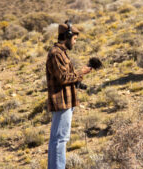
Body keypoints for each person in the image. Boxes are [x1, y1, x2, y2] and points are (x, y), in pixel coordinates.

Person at [46, 20, 92, 169]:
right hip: (62, 101)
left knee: (59, 139)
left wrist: (78, 80)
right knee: (59, 140)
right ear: (67, 36)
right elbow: (63, 78)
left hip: (66, 100)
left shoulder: (61, 53)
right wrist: (81, 72)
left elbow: (65, 76)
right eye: (74, 39)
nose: (75, 42)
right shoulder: (56, 54)